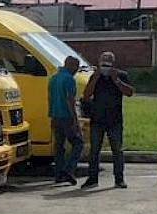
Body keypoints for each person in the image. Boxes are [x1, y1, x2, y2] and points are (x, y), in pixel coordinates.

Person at [81, 51, 134, 189]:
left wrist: (116, 80)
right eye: (103, 62)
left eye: (108, 62)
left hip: (114, 120)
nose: (105, 65)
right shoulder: (95, 76)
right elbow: (86, 95)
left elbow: (129, 92)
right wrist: (95, 78)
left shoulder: (121, 75)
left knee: (117, 150)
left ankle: (119, 179)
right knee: (94, 151)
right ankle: (92, 179)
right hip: (97, 119)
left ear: (113, 64)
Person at [48, 55, 84, 185]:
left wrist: (51, 115)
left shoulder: (53, 78)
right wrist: (75, 119)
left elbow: (50, 99)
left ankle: (58, 175)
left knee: (59, 146)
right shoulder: (69, 79)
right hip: (66, 116)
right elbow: (70, 99)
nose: (77, 70)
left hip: (55, 116)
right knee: (78, 143)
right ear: (71, 65)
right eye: (76, 67)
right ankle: (69, 170)